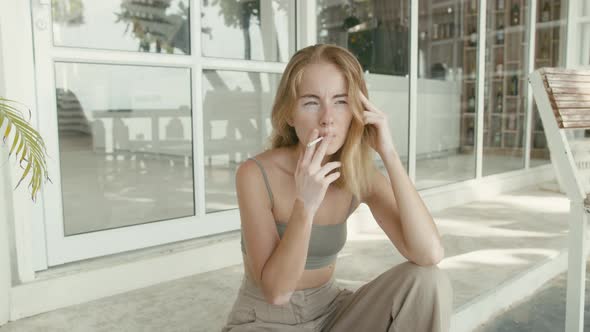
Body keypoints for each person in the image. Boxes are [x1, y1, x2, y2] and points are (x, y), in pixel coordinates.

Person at [221, 44, 453, 332]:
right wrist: (305, 205)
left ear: (357, 110)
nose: (327, 118)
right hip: (266, 321)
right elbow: (277, 293)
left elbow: (429, 253)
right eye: (311, 102)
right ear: (290, 114)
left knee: (428, 281)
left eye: (341, 101)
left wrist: (389, 153)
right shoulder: (255, 174)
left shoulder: (357, 174)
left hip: (332, 313)